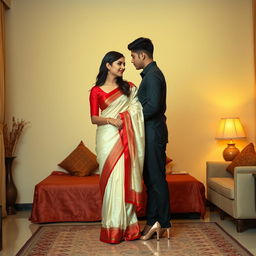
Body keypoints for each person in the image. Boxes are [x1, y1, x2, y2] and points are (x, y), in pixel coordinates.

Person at [89, 51, 145, 244]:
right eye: (119, 64)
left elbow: (136, 109)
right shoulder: (96, 91)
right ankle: (112, 226)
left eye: (124, 64)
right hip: (107, 137)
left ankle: (128, 226)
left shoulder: (129, 88)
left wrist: (124, 118)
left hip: (125, 137)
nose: (122, 67)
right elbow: (94, 118)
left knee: (124, 177)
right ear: (108, 65)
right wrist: (112, 120)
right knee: (112, 179)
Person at [127, 37, 171, 240]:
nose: (132, 61)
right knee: (151, 180)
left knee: (156, 180)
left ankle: (163, 222)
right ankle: (153, 221)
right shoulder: (150, 74)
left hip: (153, 134)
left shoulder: (152, 76)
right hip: (151, 134)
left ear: (142, 55)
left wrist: (130, 120)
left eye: (133, 56)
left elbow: (153, 107)